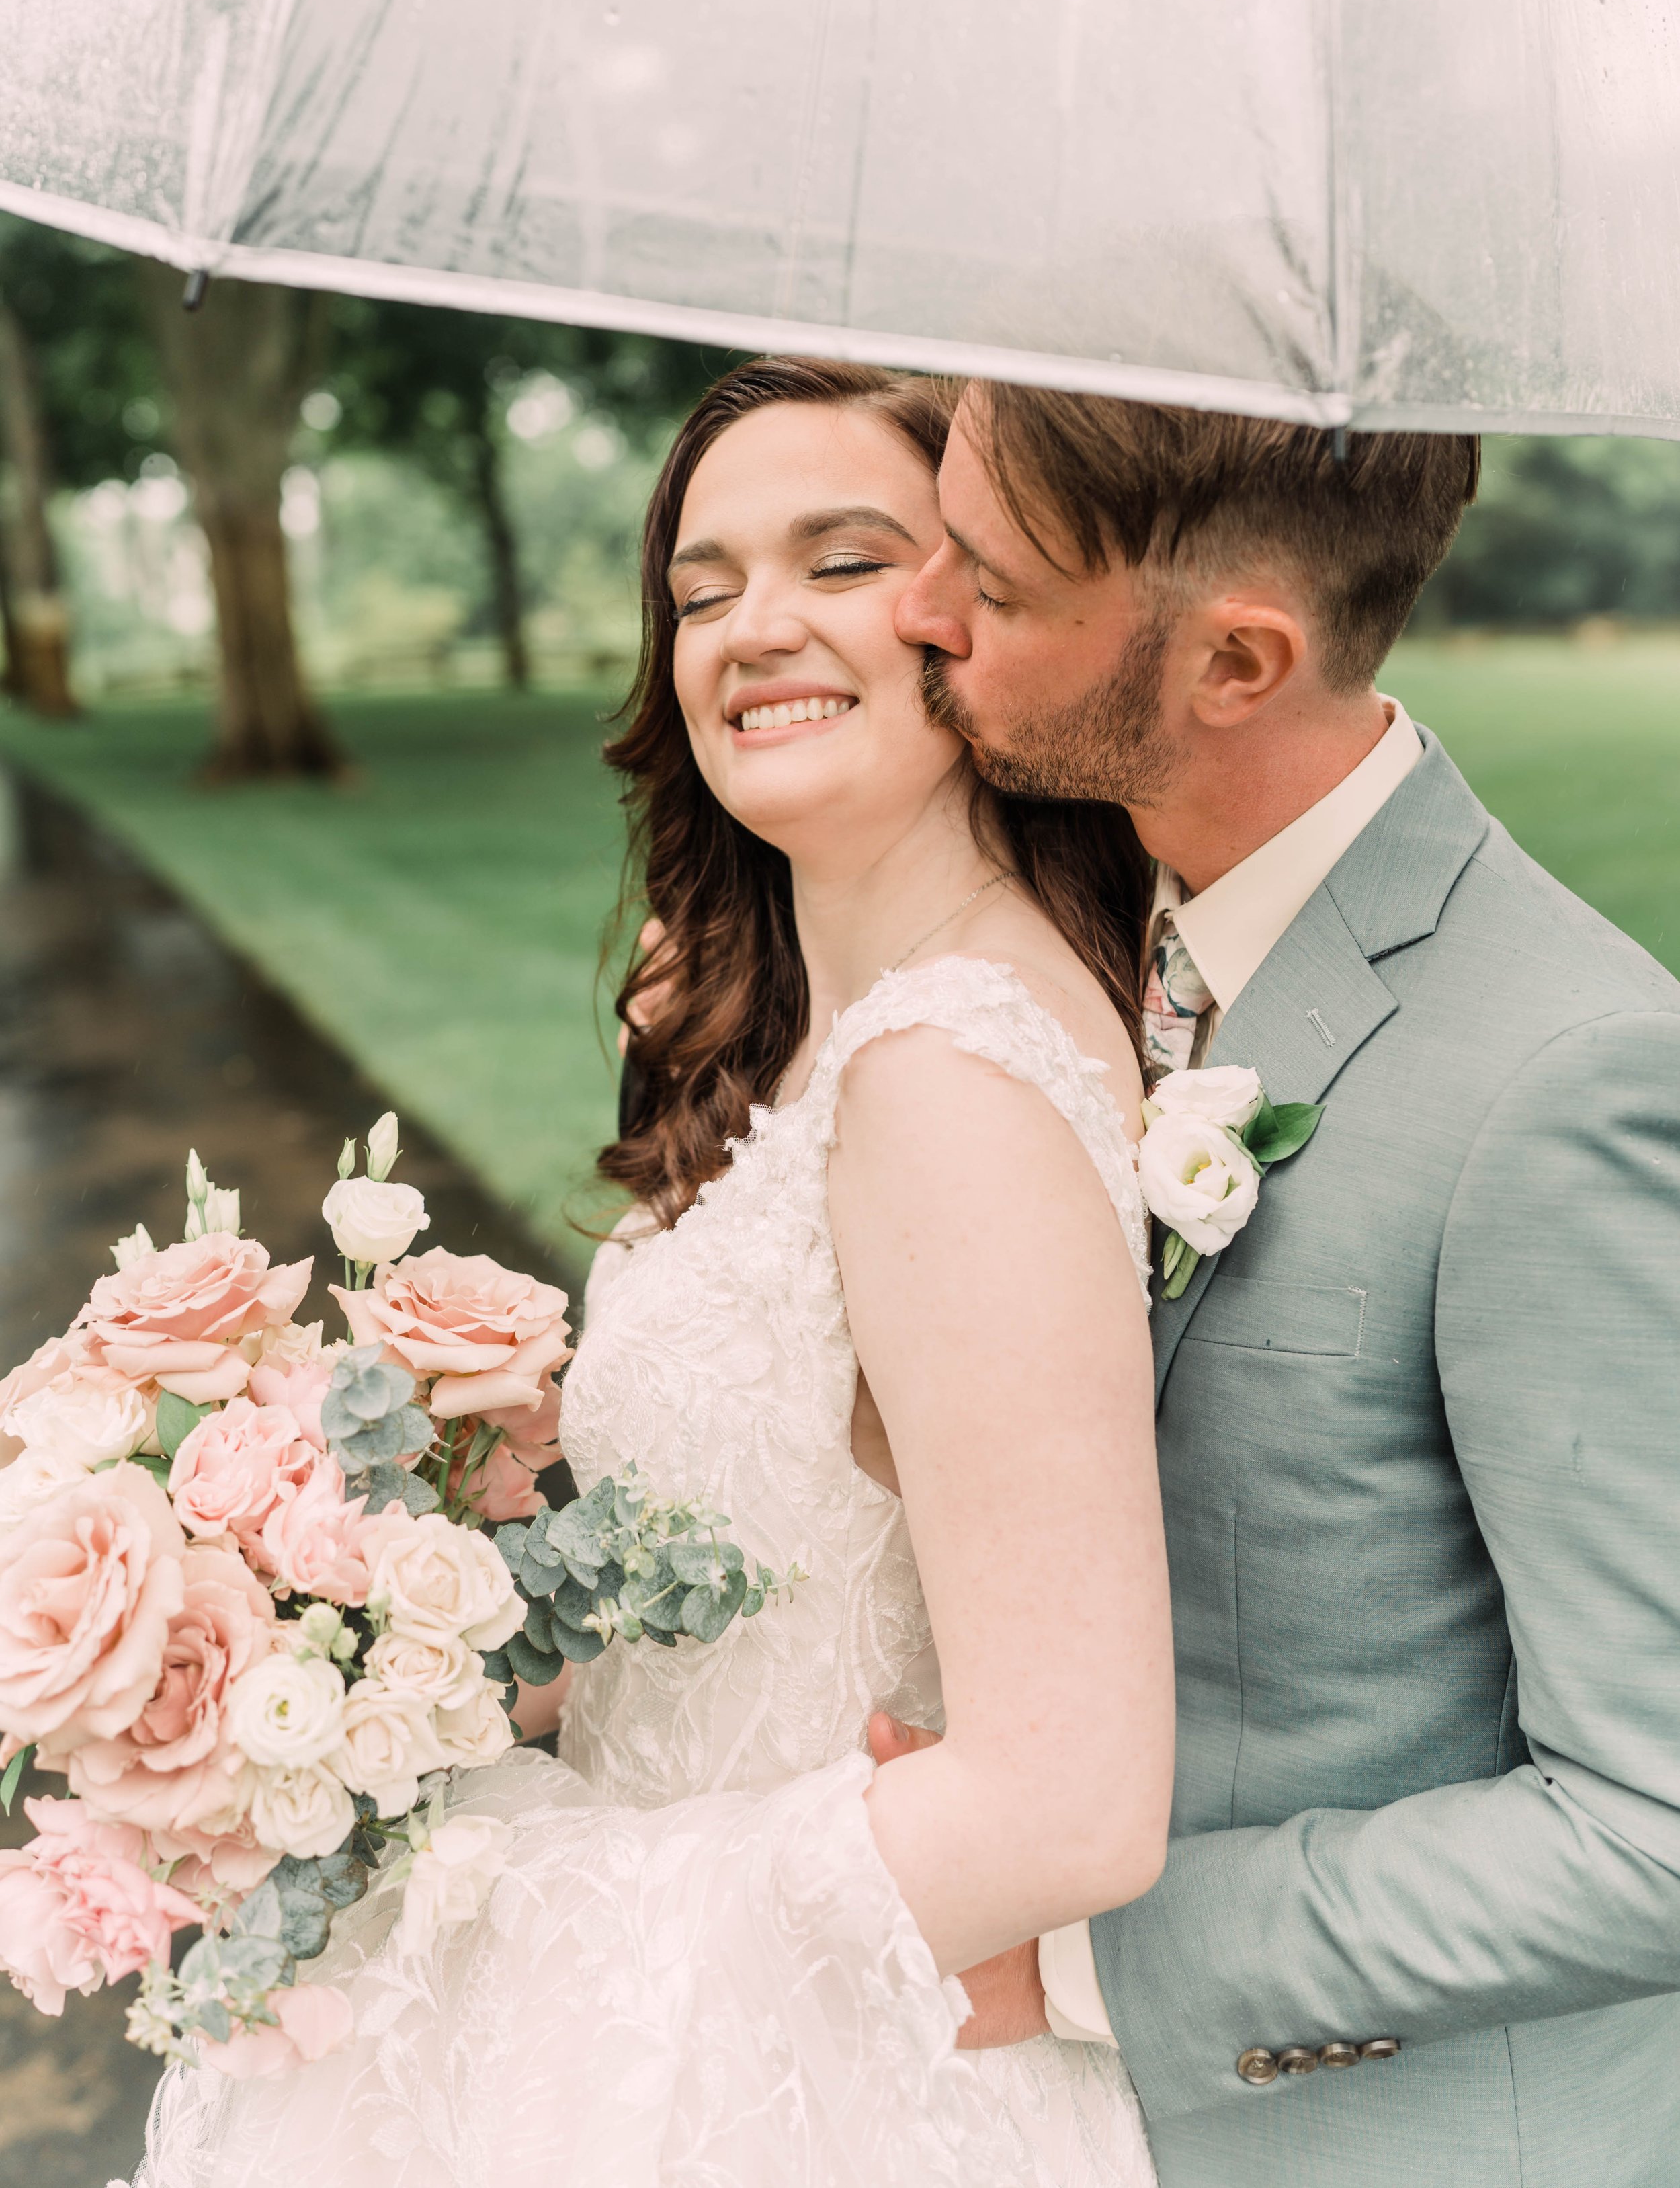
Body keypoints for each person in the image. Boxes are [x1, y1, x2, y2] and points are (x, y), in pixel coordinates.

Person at [135, 360, 1173, 2188]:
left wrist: (502, 1906)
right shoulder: (805, 1033)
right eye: (700, 591)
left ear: (979, 616)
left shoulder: (948, 1079)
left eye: (841, 563)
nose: (751, 627)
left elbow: (1072, 1801)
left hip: (809, 2084)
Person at [874, 381, 1680, 2187]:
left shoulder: (1562, 1079)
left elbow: (1658, 1827)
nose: (916, 608)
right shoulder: (1114, 938)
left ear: (1232, 665)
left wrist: (1079, 1953)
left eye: (988, 587)